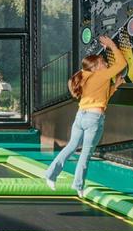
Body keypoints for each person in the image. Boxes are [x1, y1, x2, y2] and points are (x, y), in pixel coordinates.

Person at [44, 35, 127, 197]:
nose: (106, 63)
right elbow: (122, 64)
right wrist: (111, 45)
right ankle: (78, 185)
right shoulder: (101, 75)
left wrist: (115, 87)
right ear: (95, 67)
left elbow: (101, 97)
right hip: (94, 118)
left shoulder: (85, 78)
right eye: (103, 62)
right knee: (86, 153)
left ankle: (50, 175)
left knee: (70, 147)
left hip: (81, 117)